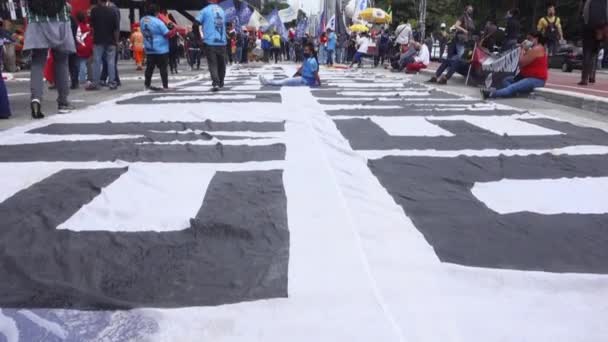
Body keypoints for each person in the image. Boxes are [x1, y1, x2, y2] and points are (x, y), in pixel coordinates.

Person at [24, 0, 76, 118]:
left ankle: (36, 99)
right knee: (62, 62)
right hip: (60, 19)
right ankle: (63, 102)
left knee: (37, 62)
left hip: (37, 21)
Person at [481, 31, 548, 99]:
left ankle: (492, 94)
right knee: (506, 80)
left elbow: (521, 62)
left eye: (529, 39)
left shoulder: (537, 49)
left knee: (512, 87)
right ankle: (514, 92)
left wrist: (522, 49)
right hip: (526, 76)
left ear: (536, 39)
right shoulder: (534, 49)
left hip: (535, 79)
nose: (527, 41)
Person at [141, 4, 177, 91]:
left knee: (149, 68)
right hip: (161, 49)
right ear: (157, 12)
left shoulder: (142, 20)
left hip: (149, 48)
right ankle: (165, 86)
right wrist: (173, 30)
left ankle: (147, 84)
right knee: (163, 68)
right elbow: (167, 34)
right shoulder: (158, 22)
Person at [87, 0, 119, 90]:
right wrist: (116, 41)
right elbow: (116, 28)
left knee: (97, 61)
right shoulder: (113, 11)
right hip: (111, 40)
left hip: (98, 39)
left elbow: (91, 25)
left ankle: (95, 83)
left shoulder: (94, 11)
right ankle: (112, 82)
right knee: (111, 62)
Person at [197, 0, 227, 92]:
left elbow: (195, 23)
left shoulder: (204, 11)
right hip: (222, 42)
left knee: (213, 64)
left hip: (210, 42)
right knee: (222, 63)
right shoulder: (222, 11)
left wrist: (198, 38)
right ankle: (221, 81)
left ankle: (216, 83)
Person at [580, 0, 607, 85]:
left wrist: (586, 24)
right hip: (599, 29)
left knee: (587, 52)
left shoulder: (588, 1)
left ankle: (584, 78)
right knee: (595, 52)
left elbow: (584, 13)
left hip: (588, 28)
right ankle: (592, 76)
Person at [75, 11, 94, 85]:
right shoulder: (87, 27)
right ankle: (90, 78)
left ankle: (82, 79)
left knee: (82, 62)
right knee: (88, 63)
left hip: (80, 46)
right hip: (88, 46)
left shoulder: (77, 27)